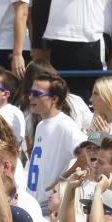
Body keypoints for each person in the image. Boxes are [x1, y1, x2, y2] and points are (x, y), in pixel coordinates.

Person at [25, 71, 85, 200]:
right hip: (35, 202)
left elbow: (87, 153)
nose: (30, 97)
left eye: (36, 94)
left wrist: (64, 178)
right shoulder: (41, 125)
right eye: (30, 92)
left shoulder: (65, 125)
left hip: (49, 205)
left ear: (54, 99)